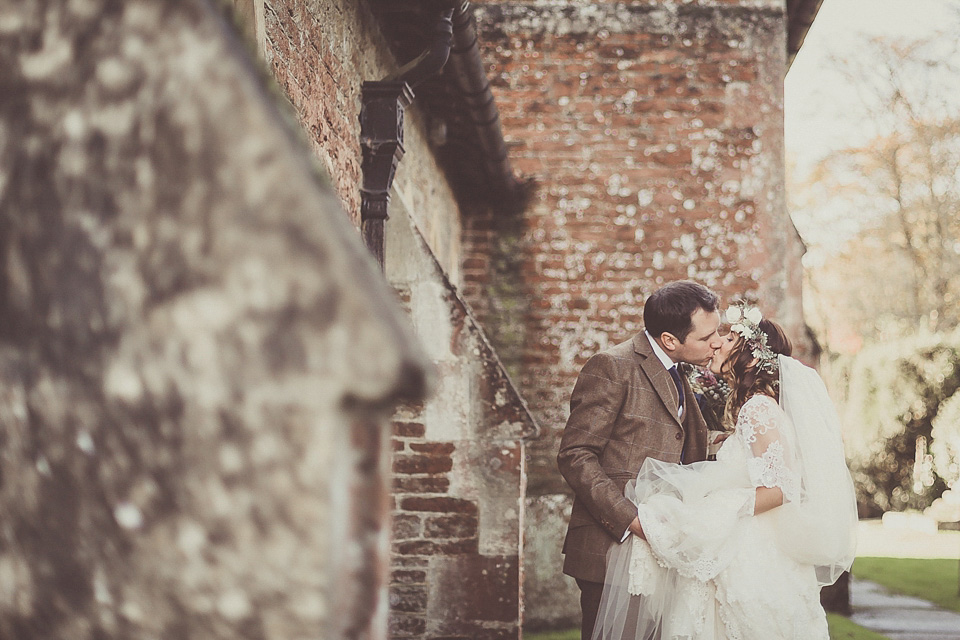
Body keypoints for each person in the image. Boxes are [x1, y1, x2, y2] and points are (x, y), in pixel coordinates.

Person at [592, 302, 858, 640]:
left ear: (750, 355)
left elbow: (781, 489)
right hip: (750, 546)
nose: (717, 342)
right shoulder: (758, 407)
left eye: (730, 338)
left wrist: (717, 508)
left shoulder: (758, 409)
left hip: (750, 553)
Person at [558, 281, 724, 639]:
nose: (716, 342)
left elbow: (675, 439)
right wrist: (632, 520)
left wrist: (733, 444)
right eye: (707, 336)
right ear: (669, 340)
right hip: (612, 545)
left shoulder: (681, 370)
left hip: (664, 545)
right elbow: (576, 455)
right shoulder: (612, 367)